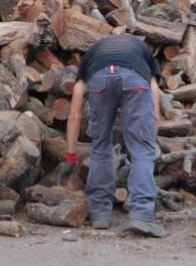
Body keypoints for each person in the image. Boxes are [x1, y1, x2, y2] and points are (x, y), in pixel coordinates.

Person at [57, 33, 165, 237]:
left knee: (100, 146)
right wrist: (151, 133)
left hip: (100, 80)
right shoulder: (141, 51)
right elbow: (153, 93)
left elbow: (74, 114)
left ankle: (100, 215)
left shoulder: (92, 55)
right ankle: (141, 215)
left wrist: (71, 154)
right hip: (135, 79)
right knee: (141, 150)